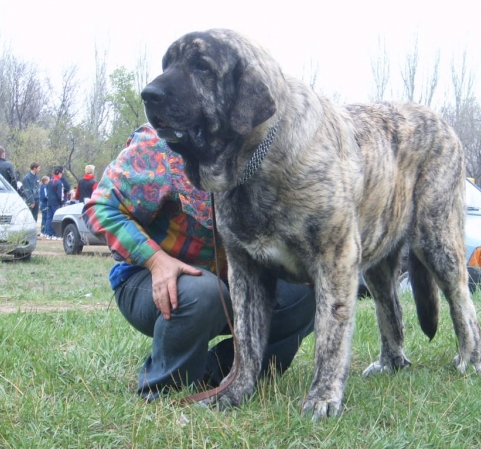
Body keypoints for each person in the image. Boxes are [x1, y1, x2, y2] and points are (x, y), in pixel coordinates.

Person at [82, 125, 316, 402]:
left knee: (304, 294)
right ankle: (166, 389)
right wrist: (157, 261)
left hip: (234, 284)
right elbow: (101, 209)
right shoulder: (160, 146)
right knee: (202, 293)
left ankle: (220, 376)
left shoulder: (265, 151)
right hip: (152, 281)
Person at [45, 167, 65, 240]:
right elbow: (60, 195)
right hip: (56, 203)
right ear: (59, 173)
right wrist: (62, 203)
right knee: (56, 219)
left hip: (49, 202)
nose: (61, 175)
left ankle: (48, 234)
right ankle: (55, 234)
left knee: (49, 218)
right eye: (61, 174)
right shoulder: (59, 182)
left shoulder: (50, 181)